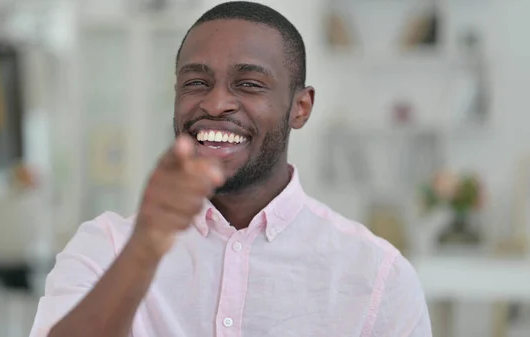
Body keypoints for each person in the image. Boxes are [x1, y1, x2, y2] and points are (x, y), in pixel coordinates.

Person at [30, 2, 432, 336]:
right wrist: (145, 248)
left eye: (249, 84)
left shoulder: (378, 276)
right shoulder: (106, 247)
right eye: (196, 83)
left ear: (300, 107)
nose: (216, 103)